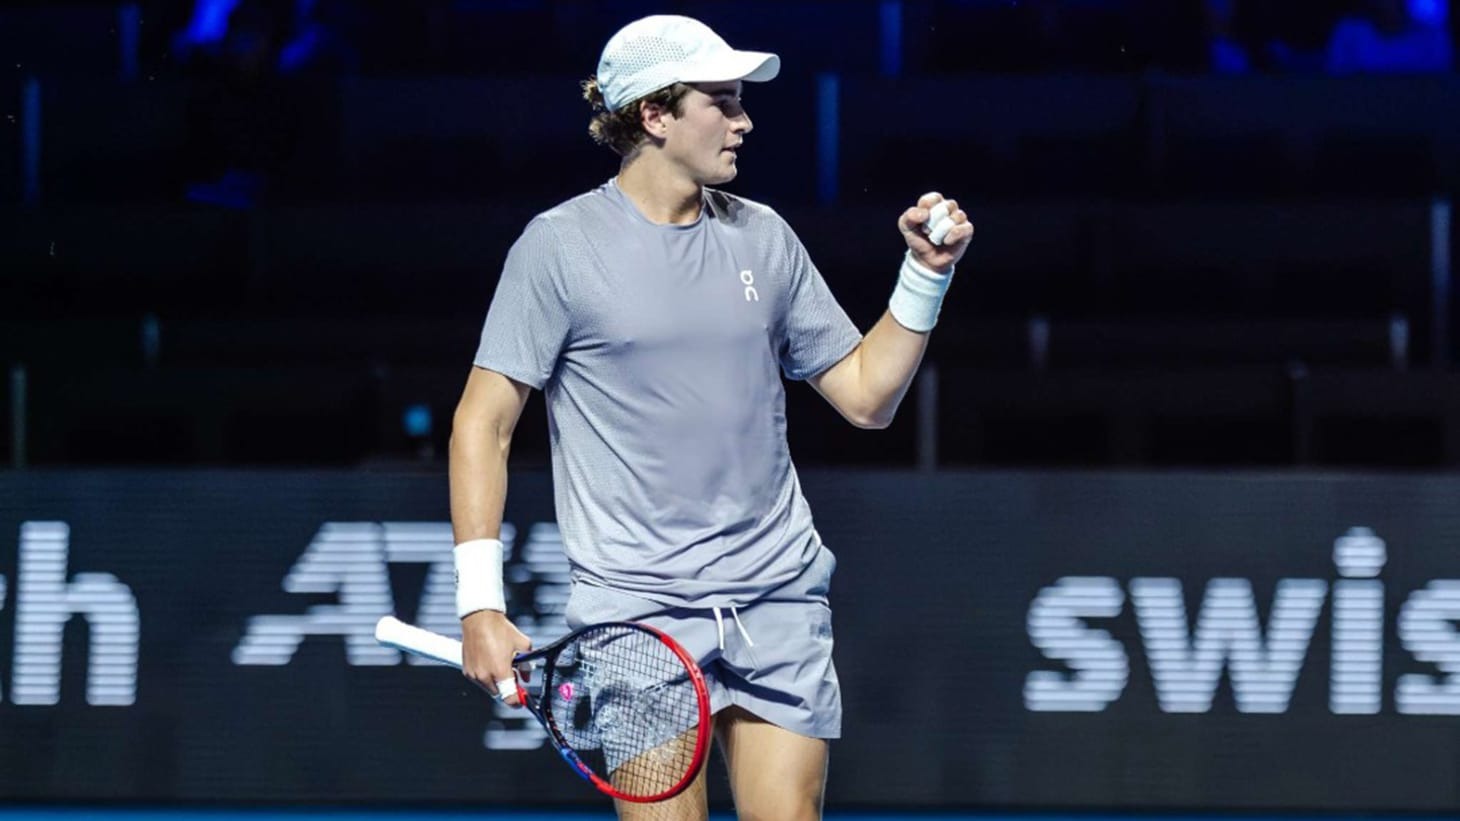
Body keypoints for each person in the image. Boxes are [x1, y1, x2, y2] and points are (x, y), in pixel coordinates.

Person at [449, 14, 972, 820]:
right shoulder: (556, 248)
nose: (744, 120)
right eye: (722, 101)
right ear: (654, 115)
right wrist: (480, 604)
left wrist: (925, 275)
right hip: (636, 613)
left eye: (740, 100)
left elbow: (867, 396)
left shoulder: (764, 237)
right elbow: (481, 425)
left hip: (777, 593)